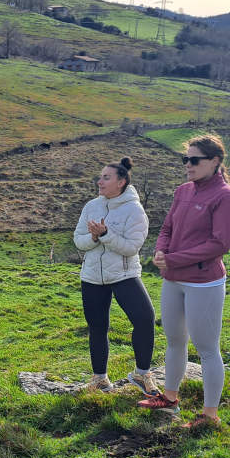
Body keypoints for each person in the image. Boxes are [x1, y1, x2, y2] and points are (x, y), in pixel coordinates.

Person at [138, 135, 230, 429]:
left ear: (215, 161)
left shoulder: (226, 197)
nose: (188, 164)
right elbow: (167, 228)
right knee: (174, 341)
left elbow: (220, 245)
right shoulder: (183, 191)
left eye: (194, 160)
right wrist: (161, 251)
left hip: (203, 282)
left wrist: (174, 259)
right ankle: (170, 399)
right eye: (185, 159)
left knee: (207, 349)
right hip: (173, 279)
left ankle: (210, 416)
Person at [73, 156, 158, 394]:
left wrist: (105, 234)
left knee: (145, 319)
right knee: (97, 327)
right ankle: (100, 380)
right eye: (100, 177)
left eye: (106, 178)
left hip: (124, 275)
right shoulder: (91, 206)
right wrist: (93, 237)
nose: (99, 182)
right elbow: (78, 240)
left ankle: (142, 374)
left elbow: (132, 247)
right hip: (92, 276)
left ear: (121, 182)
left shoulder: (134, 210)